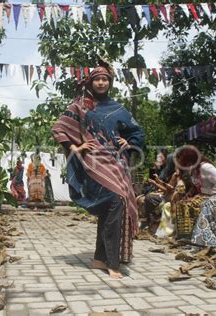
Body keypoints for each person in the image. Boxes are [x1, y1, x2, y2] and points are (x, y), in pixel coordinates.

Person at [52, 63, 145, 279]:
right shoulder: (80, 106)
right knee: (115, 201)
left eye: (105, 79)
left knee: (111, 207)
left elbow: (136, 131)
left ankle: (99, 258)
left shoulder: (118, 108)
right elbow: (59, 128)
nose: (101, 83)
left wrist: (128, 142)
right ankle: (112, 263)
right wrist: (75, 148)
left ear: (110, 83)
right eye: (97, 79)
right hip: (93, 163)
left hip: (117, 163)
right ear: (90, 82)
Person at [172, 146, 216, 239]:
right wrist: (188, 195)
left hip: (212, 196)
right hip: (201, 195)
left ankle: (190, 236)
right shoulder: (194, 169)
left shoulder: (206, 167)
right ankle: (184, 235)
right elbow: (195, 185)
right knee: (181, 203)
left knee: (188, 205)